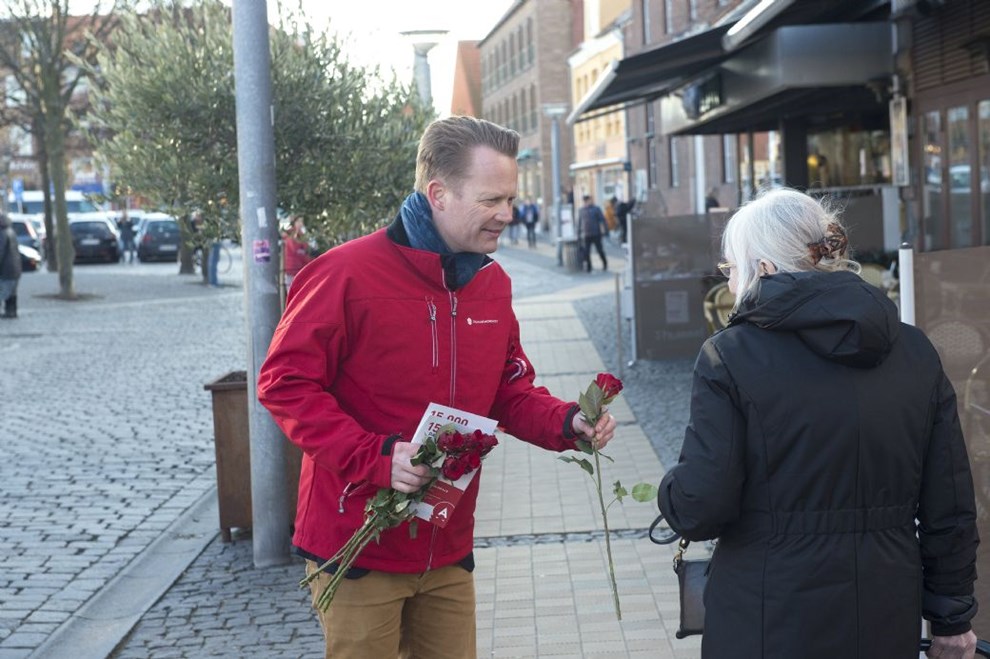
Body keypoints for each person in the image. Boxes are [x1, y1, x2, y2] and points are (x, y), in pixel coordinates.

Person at [257, 116, 617, 659]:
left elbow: (509, 390)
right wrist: (377, 457)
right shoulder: (343, 275)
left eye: (511, 198)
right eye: (492, 199)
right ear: (439, 194)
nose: (507, 214)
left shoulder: (492, 284)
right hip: (357, 547)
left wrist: (570, 422)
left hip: (446, 546)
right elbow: (284, 384)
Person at [657, 188, 979, 659]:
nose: (730, 285)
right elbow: (948, 501)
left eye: (732, 269)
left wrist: (669, 492)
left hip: (767, 614)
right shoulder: (914, 350)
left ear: (763, 268)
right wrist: (952, 618)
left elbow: (702, 504)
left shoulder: (730, 357)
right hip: (884, 610)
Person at [577, 194, 608, 272]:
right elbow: (579, 223)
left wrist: (603, 230)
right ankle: (589, 267)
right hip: (586, 235)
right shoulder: (581, 210)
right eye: (586, 201)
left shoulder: (596, 209)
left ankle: (605, 263)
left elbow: (602, 220)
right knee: (586, 252)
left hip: (596, 233)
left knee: (599, 250)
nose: (587, 202)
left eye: (588, 200)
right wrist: (578, 233)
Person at [281, 216, 312, 292]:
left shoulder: (302, 236)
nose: (300, 224)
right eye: (298, 222)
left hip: (300, 271)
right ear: (294, 223)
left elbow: (304, 252)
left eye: (302, 222)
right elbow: (296, 251)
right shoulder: (290, 236)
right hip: (291, 270)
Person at [0, 213, 21, 319]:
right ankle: (12, 312)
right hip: (15, 267)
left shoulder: (2, 233)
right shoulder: (10, 231)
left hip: (6, 268)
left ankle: (10, 312)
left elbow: (1, 251)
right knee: (12, 292)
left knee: (4, 291)